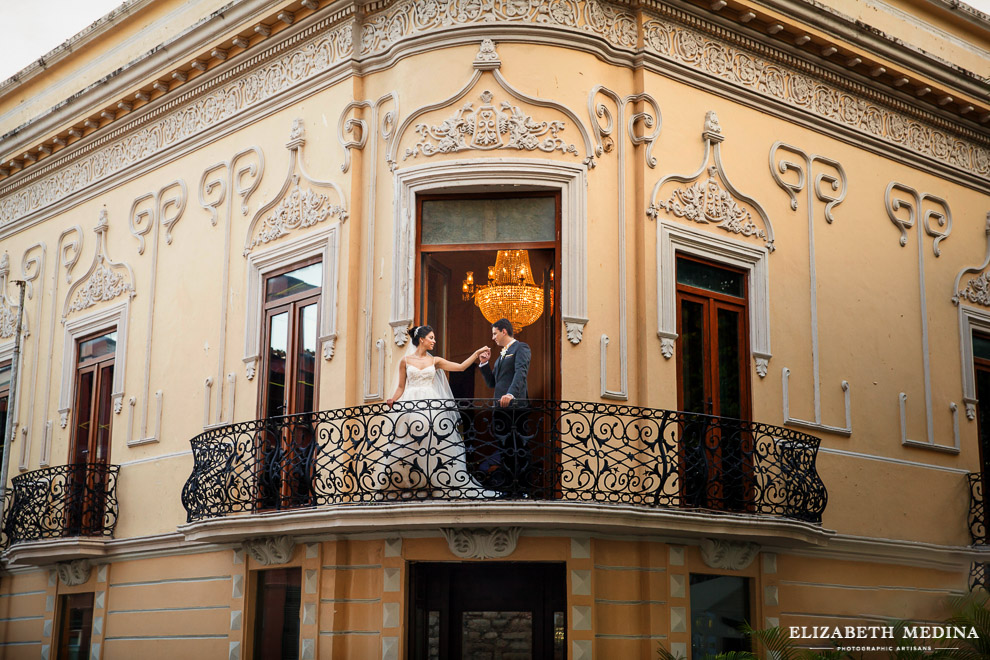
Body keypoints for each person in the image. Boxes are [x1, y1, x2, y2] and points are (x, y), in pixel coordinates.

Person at [382, 325, 493, 497]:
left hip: (430, 404)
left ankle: (433, 484)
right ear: (421, 339)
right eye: (431, 338)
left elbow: (461, 367)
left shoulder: (435, 361)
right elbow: (401, 387)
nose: (434, 341)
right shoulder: (405, 361)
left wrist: (476, 353)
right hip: (411, 403)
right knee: (408, 443)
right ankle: (409, 484)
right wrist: (393, 399)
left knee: (432, 442)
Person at [478, 318, 533, 497]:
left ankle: (522, 489)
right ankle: (508, 488)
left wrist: (511, 394)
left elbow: (521, 373)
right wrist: (485, 363)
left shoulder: (521, 348)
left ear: (503, 331)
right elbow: (492, 382)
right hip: (500, 409)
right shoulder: (502, 354)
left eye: (494, 333)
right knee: (505, 449)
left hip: (516, 407)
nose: (493, 337)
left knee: (518, 448)